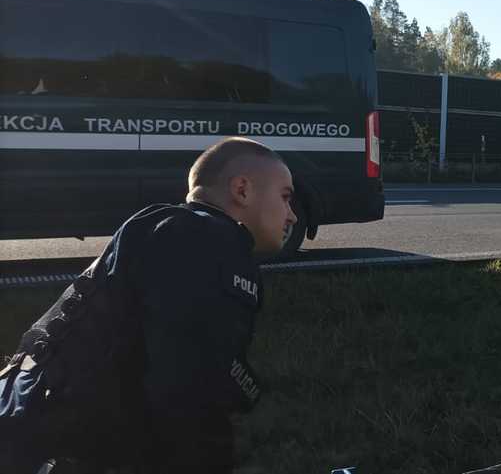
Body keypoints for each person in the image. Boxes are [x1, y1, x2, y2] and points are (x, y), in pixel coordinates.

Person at [0, 137, 296, 474]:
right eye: (285, 197)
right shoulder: (209, 240)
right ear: (242, 190)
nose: (292, 215)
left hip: (26, 424)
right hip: (55, 447)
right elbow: (187, 388)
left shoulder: (161, 226)